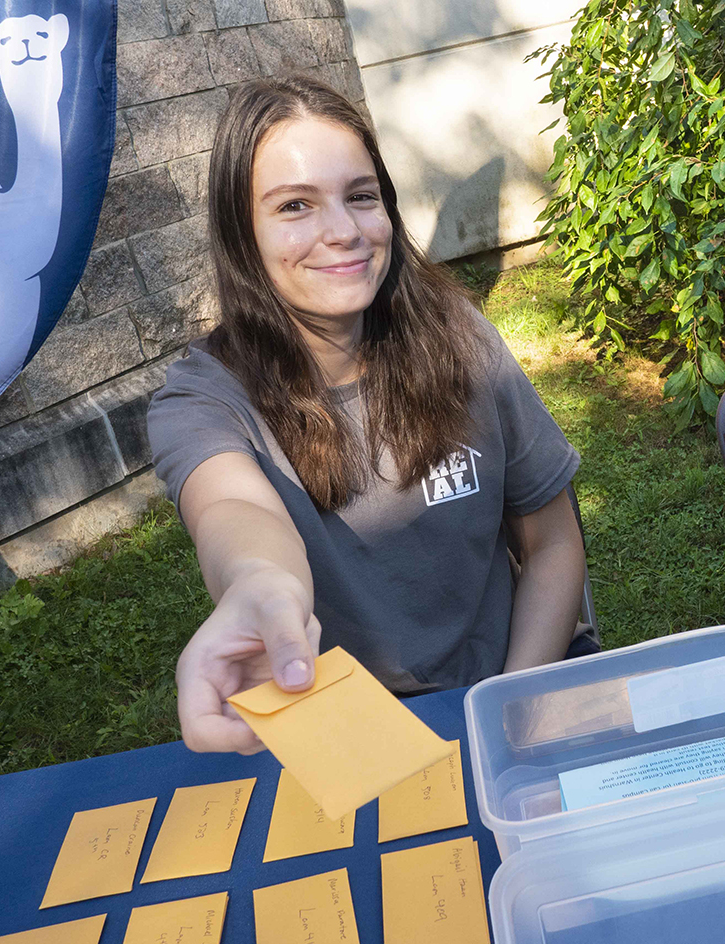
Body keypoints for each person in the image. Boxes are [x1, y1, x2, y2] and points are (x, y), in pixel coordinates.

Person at [148, 77, 587, 754]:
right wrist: (259, 585)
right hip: (352, 735)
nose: (344, 232)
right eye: (295, 205)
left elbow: (552, 544)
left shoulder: (460, 339)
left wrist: (511, 708)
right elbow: (235, 513)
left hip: (518, 685)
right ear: (244, 235)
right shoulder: (203, 400)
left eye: (361, 196)